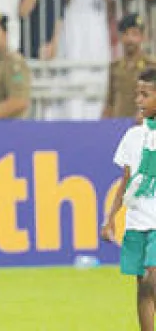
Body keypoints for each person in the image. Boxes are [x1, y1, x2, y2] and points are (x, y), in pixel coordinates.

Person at [102, 68, 156, 331]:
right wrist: (110, 218)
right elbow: (125, 181)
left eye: (145, 95)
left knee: (150, 281)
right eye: (138, 94)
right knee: (142, 289)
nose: (138, 101)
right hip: (136, 223)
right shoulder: (133, 137)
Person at [107, 15, 155, 119]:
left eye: (134, 34)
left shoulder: (151, 66)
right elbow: (110, 102)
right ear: (120, 37)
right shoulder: (115, 67)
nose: (130, 39)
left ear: (143, 37)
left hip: (144, 126)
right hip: (118, 125)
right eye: (126, 34)